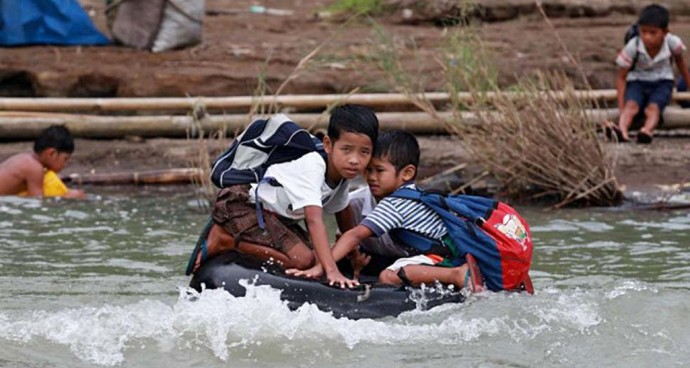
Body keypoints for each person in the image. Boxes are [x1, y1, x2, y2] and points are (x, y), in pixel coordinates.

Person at [203, 104, 379, 288]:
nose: (354, 160)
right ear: (328, 145)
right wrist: (332, 271)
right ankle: (225, 240)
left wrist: (354, 252)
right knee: (302, 260)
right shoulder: (314, 166)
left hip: (275, 217)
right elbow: (314, 221)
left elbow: (343, 213)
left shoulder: (342, 174)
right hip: (244, 204)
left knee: (315, 257)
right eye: (346, 149)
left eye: (364, 152)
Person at [288, 130, 483, 292]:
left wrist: (322, 267)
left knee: (387, 277)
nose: (372, 177)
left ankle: (456, 274)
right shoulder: (394, 196)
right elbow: (344, 236)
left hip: (444, 256)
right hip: (433, 254)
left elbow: (355, 234)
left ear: (407, 173)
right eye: (369, 170)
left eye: (379, 171)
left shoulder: (396, 203)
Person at [610, 4, 690, 143]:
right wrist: (621, 106)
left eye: (652, 33)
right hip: (637, 81)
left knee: (653, 109)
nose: (647, 37)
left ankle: (647, 130)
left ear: (665, 32)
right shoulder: (633, 46)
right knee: (631, 106)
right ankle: (621, 130)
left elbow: (681, 65)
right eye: (643, 32)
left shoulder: (672, 43)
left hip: (662, 82)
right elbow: (622, 77)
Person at [0, 125, 85, 198]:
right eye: (65, 159)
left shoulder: (26, 158)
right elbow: (36, 203)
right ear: (52, 153)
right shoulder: (35, 168)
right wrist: (65, 197)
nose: (65, 164)